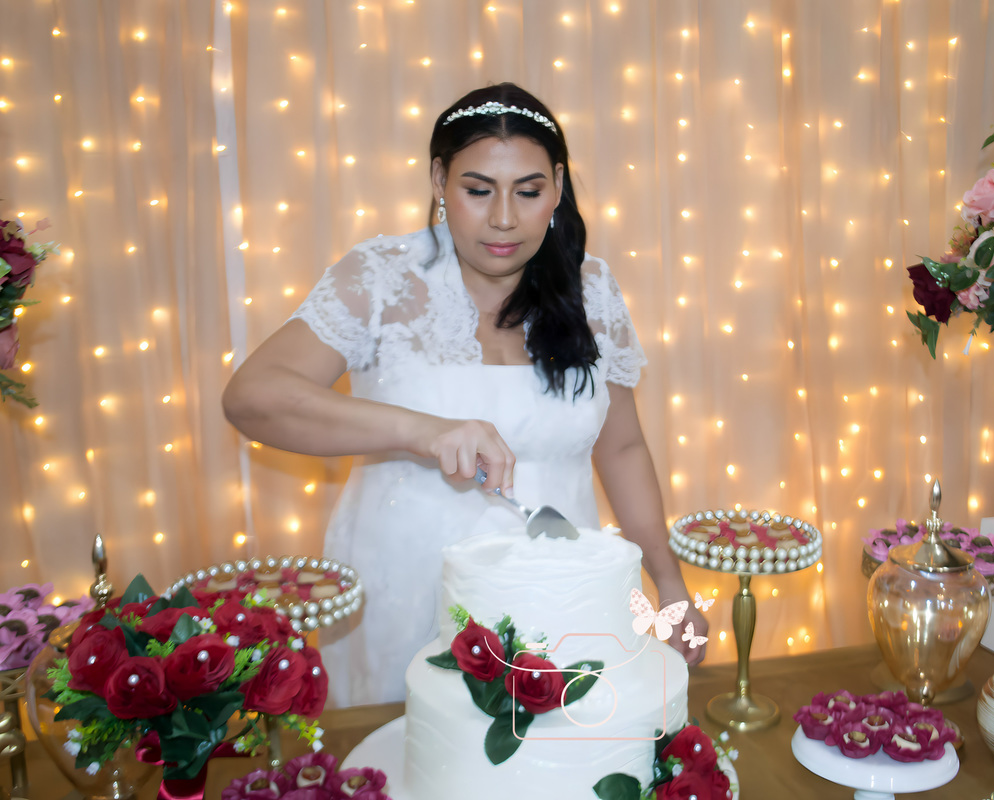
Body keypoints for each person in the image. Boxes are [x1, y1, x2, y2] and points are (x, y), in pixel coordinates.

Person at [222, 82, 708, 706]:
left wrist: (669, 586)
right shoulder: (381, 276)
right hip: (407, 583)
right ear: (438, 181)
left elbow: (623, 449)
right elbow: (252, 397)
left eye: (528, 192)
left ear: (558, 186)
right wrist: (423, 431)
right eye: (478, 190)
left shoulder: (593, 288)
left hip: (559, 586)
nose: (503, 217)